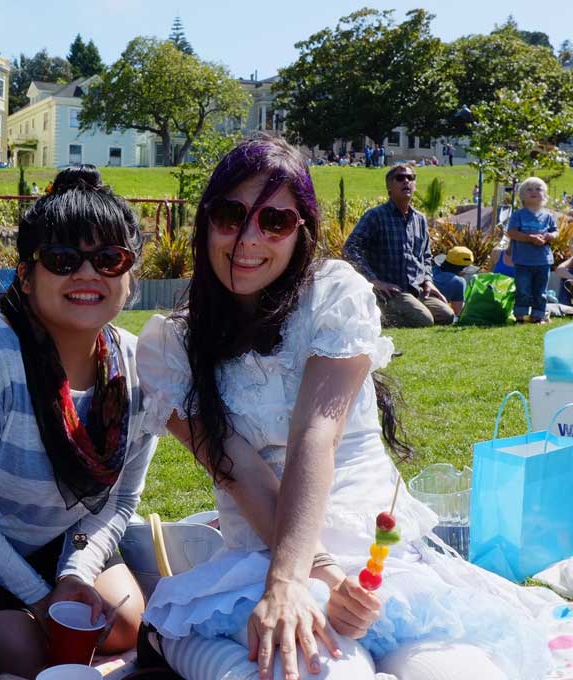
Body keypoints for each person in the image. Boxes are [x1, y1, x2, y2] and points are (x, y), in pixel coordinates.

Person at [134, 135, 558, 680]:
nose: (247, 238)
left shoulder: (332, 295)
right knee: (325, 670)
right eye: (231, 214)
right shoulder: (171, 346)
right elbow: (239, 471)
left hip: (374, 553)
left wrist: (327, 577)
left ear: (301, 232)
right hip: (261, 558)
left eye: (275, 223)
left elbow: (316, 434)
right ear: (206, 221)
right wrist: (301, 578)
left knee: (451, 671)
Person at [0, 166, 157, 678]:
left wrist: (74, 574)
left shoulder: (140, 368)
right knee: (23, 650)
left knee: (124, 624)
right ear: (25, 278)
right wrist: (40, 596)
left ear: (130, 273)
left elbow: (122, 500)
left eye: (109, 259)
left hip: (62, 545)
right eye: (63, 260)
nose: (88, 275)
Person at [343, 164, 454, 327]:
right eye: (400, 178)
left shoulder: (420, 219)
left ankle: (404, 311)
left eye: (410, 178)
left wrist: (428, 281)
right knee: (424, 320)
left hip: (417, 289)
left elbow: (426, 256)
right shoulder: (376, 216)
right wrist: (373, 280)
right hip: (391, 292)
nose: (406, 181)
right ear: (389, 187)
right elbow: (350, 248)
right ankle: (377, 312)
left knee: (447, 315)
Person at [507, 177, 557, 324]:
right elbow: (512, 232)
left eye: (538, 189)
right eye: (529, 189)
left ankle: (538, 316)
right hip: (523, 261)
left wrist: (548, 236)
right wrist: (530, 238)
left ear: (545, 195)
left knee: (540, 291)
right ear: (522, 196)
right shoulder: (518, 215)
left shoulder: (548, 216)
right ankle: (520, 315)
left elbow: (555, 232)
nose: (534, 192)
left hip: (543, 260)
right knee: (523, 289)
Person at [432, 246, 473, 317]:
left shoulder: (432, 269)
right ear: (464, 269)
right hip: (435, 313)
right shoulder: (459, 282)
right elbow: (458, 311)